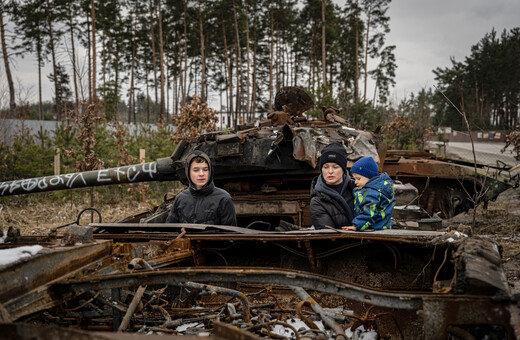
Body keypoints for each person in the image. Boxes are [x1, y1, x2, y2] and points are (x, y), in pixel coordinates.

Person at [166, 150, 237, 226]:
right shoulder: (180, 198)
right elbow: (170, 228)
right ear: (188, 172)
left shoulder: (223, 199)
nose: (201, 174)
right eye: (196, 170)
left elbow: (230, 234)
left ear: (210, 172)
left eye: (205, 170)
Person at [342, 156, 395, 231]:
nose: (355, 182)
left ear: (369, 177)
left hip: (375, 229)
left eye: (358, 178)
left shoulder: (371, 193)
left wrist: (358, 225)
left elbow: (369, 212)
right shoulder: (377, 189)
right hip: (382, 227)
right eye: (354, 179)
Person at [310, 142, 355, 229]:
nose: (330, 171)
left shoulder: (357, 188)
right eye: (326, 167)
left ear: (343, 169)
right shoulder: (318, 200)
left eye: (335, 167)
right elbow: (327, 234)